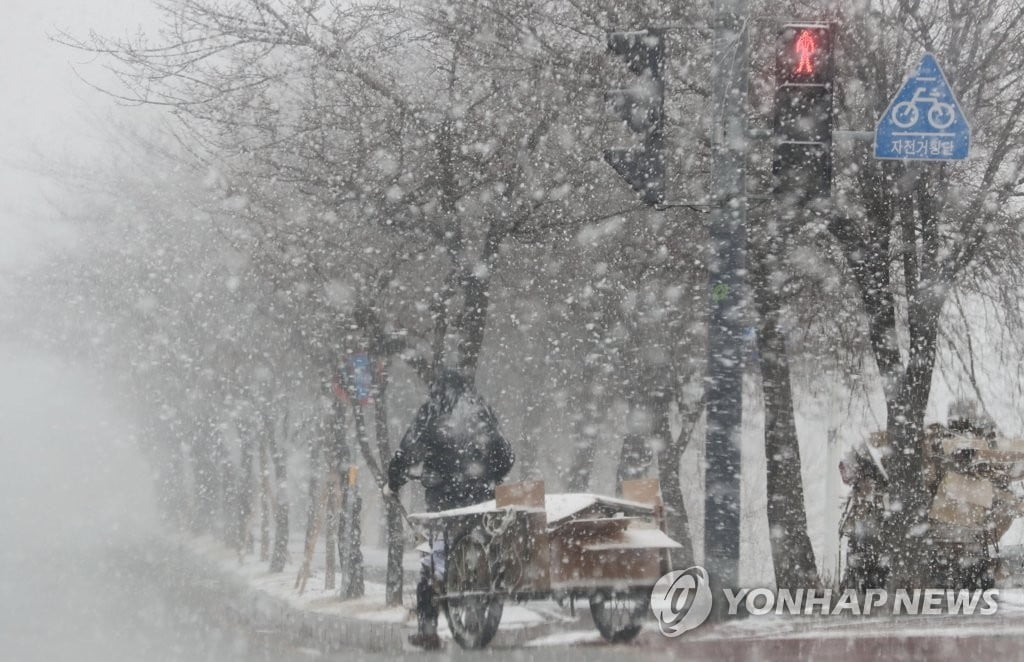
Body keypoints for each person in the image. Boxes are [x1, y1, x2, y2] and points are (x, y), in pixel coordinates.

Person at [384, 369, 514, 650]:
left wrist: (395, 479)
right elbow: (506, 456)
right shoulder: (481, 410)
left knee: (434, 560)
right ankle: (484, 576)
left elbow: (408, 451)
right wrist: (488, 475)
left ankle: (428, 630)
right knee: (484, 542)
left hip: (445, 502)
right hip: (481, 499)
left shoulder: (433, 411)